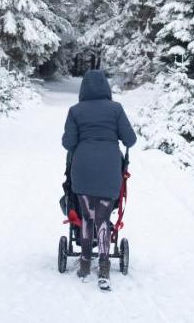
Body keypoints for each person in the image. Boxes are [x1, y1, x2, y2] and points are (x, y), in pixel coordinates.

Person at [62, 69, 136, 289]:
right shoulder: (116, 109)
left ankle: (85, 264)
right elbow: (130, 140)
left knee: (87, 217)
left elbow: (68, 143)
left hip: (83, 170)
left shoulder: (75, 111)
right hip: (109, 170)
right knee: (103, 219)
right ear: (106, 87)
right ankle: (104, 267)